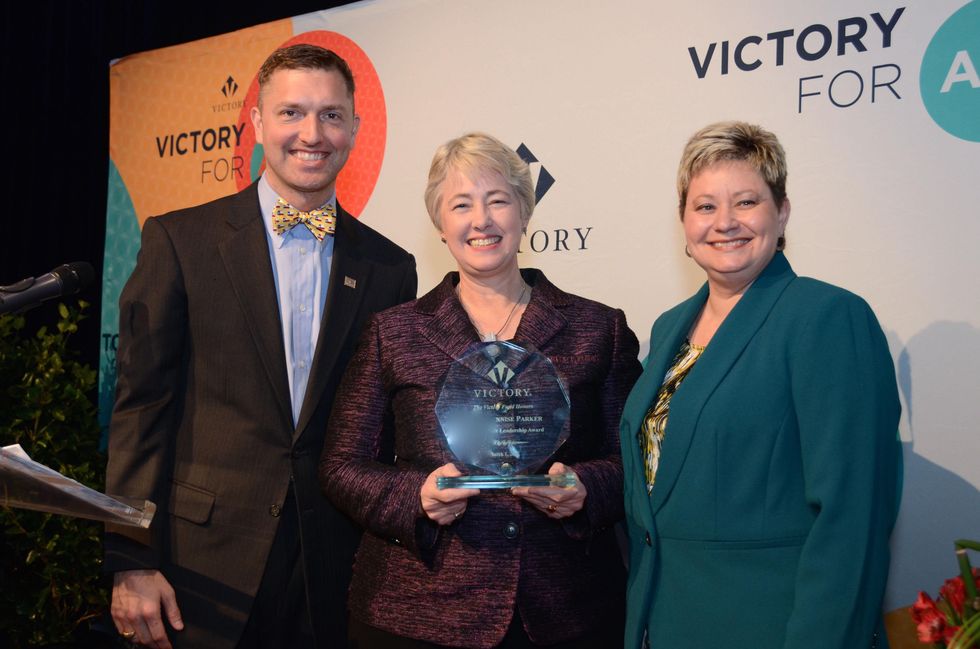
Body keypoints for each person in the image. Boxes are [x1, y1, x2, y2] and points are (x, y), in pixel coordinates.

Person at [104, 44, 417, 649]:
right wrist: (130, 559)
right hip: (199, 564)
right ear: (256, 122)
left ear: (354, 127)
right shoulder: (181, 240)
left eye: (331, 115)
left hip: (332, 565)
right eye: (291, 112)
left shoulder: (389, 267)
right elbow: (140, 411)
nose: (312, 133)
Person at [319, 132, 642, 648]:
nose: (482, 220)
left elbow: (634, 459)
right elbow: (341, 464)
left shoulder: (596, 327)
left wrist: (585, 487)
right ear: (440, 224)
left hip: (565, 608)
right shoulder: (393, 331)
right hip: (417, 612)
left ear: (525, 212)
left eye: (498, 200)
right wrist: (415, 498)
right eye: (461, 204)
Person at [620, 121, 901, 649]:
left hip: (772, 626)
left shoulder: (828, 318)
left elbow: (851, 519)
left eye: (746, 202)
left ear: (782, 212)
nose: (724, 222)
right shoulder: (668, 326)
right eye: (705, 206)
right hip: (664, 621)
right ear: (683, 220)